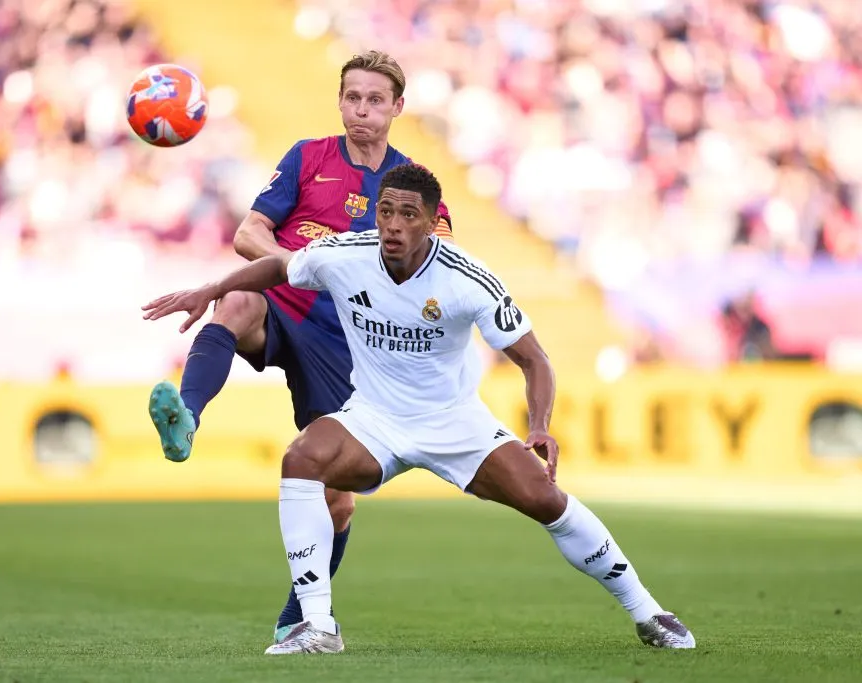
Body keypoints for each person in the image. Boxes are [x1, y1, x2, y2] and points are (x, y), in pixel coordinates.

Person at [142, 163, 696, 654]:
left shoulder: (466, 279)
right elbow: (276, 269)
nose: (394, 225)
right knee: (301, 460)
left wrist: (541, 426)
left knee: (544, 499)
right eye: (385, 212)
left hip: (455, 423)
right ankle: (316, 626)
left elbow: (534, 360)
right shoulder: (345, 255)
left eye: (409, 214)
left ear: (433, 222)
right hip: (375, 418)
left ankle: (649, 611)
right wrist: (210, 288)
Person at [146, 51, 452, 642]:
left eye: (374, 101)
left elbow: (435, 262)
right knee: (233, 304)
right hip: (283, 303)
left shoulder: (411, 184)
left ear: (396, 108)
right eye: (352, 98)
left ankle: (299, 618)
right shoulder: (307, 157)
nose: (361, 111)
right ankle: (186, 419)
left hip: (348, 342)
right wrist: (300, 266)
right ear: (339, 101)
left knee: (336, 500)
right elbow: (247, 233)